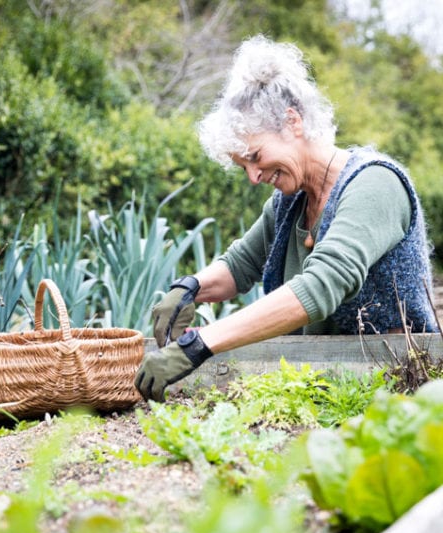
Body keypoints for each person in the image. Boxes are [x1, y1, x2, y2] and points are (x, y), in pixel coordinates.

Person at [135, 35, 437, 403]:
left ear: (292, 122)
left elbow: (322, 285)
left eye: (255, 156)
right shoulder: (290, 201)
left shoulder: (375, 183)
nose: (253, 176)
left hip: (400, 389)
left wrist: (199, 345)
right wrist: (189, 289)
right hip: (327, 384)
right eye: (242, 166)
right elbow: (240, 265)